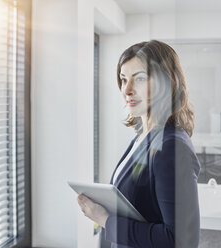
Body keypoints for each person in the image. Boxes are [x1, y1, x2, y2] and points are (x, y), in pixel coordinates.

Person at [77, 40, 200, 248]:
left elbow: (179, 240)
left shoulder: (172, 147)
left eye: (139, 79)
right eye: (124, 80)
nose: (127, 90)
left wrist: (105, 219)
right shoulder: (144, 137)